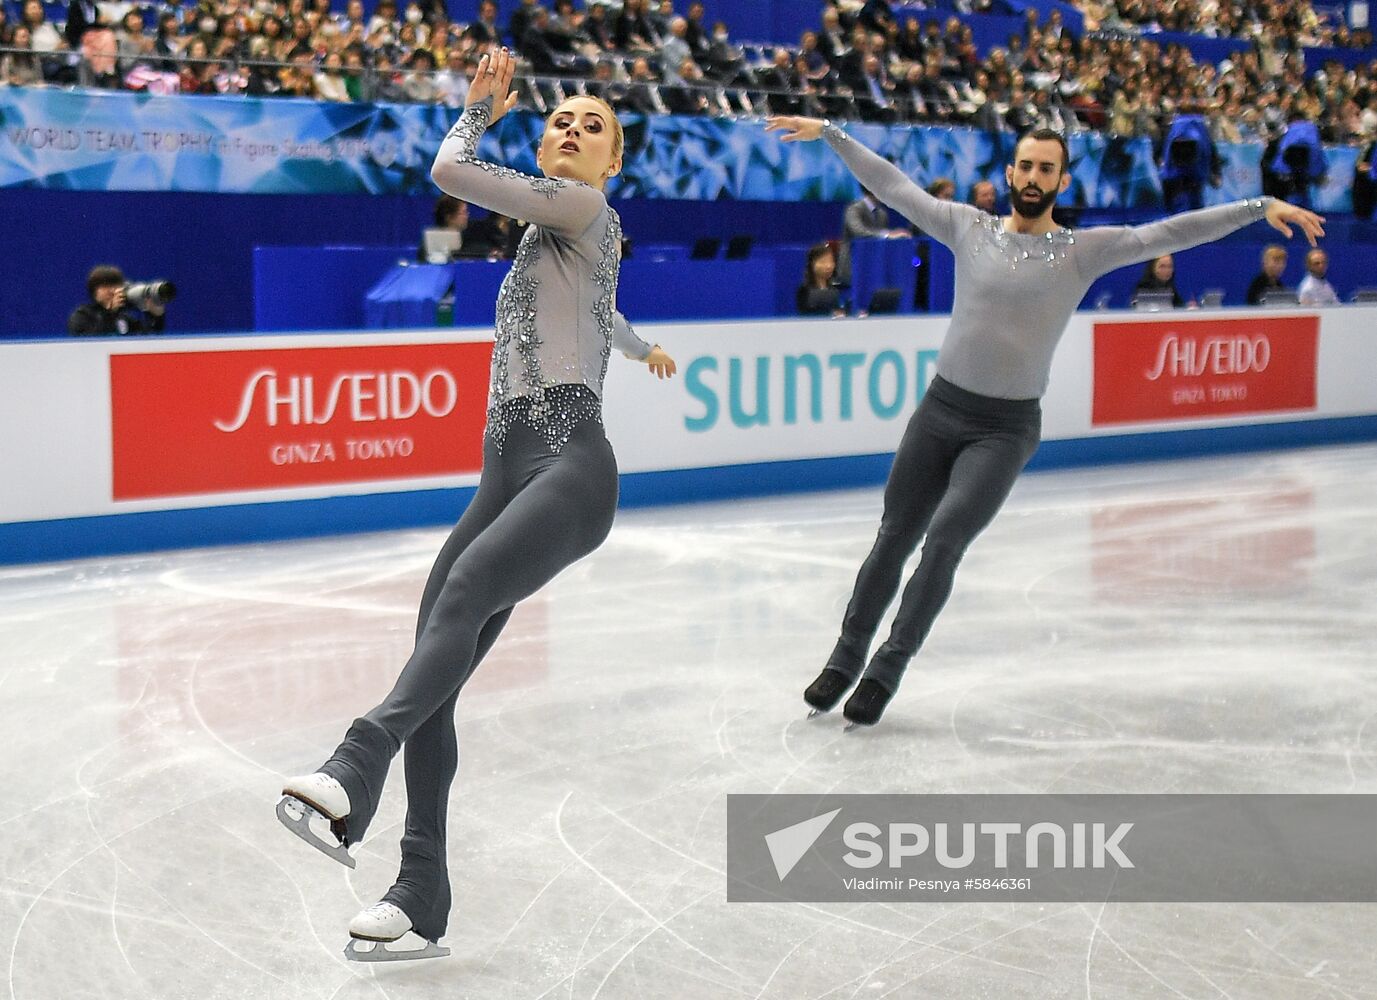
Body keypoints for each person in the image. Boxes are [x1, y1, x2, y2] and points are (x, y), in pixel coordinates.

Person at [277, 49, 678, 963]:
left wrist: (473, 116)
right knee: (438, 661)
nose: (571, 130)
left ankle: (352, 763)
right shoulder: (556, 238)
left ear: (611, 164)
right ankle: (421, 891)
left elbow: (448, 172)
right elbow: (603, 310)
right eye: (562, 120)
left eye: (593, 127)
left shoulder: (584, 208)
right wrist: (641, 341)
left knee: (458, 604)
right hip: (502, 473)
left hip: (570, 470)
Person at [765, 115, 1323, 729]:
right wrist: (832, 133)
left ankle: (885, 670)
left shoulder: (1084, 251)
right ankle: (844, 661)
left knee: (945, 539)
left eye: (1046, 169)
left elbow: (1169, 232)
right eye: (1025, 166)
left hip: (1004, 430)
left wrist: (1256, 205)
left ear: (1061, 179)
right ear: (1010, 172)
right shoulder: (966, 227)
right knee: (894, 536)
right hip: (939, 412)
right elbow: (896, 188)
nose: (1034, 177)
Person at [68, 266, 167, 335]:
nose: (111, 290)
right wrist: (110, 313)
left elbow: (149, 342)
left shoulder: (124, 317)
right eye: (105, 286)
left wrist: (156, 317)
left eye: (115, 285)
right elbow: (90, 342)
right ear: (94, 291)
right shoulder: (82, 315)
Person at [797, 242, 847, 316]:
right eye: (823, 262)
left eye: (831, 261)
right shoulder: (804, 290)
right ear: (812, 264)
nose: (828, 266)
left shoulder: (834, 291)